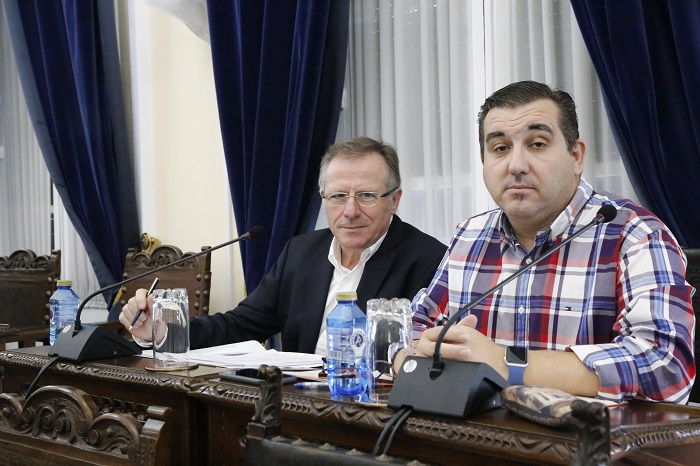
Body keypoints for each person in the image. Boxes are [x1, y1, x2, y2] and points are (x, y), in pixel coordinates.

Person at [406, 81, 695, 403]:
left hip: (587, 446)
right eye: (500, 148)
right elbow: (416, 327)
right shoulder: (469, 236)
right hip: (476, 439)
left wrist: (505, 362)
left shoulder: (634, 234)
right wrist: (416, 352)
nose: (516, 165)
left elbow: (667, 368)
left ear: (575, 156)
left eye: (538, 144)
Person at [120, 137, 447, 354]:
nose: (350, 211)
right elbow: (240, 325)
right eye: (337, 196)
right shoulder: (301, 253)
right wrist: (162, 330)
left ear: (394, 201)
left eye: (366, 196)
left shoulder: (429, 261)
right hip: (295, 408)